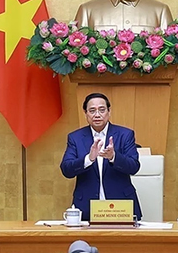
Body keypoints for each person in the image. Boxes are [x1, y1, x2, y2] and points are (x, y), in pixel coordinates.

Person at [60, 93, 141, 221]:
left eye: (102, 110)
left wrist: (114, 156)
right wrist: (88, 159)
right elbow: (66, 169)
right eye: (92, 110)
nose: (97, 115)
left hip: (121, 207)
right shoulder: (75, 138)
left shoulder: (125, 134)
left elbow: (134, 167)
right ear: (85, 113)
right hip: (87, 207)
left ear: (109, 112)